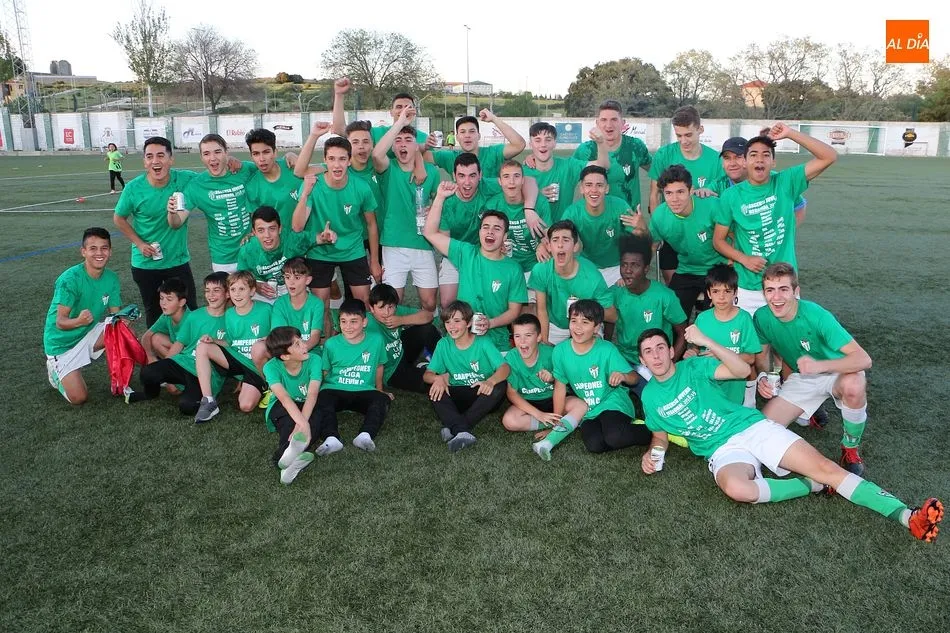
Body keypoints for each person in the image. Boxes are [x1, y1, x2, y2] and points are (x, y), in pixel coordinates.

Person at [637, 326, 943, 543]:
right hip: (722, 451)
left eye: (660, 348)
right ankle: (810, 485)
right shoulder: (650, 397)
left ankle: (906, 515)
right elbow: (659, 434)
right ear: (643, 360)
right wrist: (653, 454)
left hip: (751, 428)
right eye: (648, 352)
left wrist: (705, 340)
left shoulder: (694, 368)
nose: (656, 355)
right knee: (738, 490)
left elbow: (741, 371)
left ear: (671, 350)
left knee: (828, 468)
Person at [753, 263, 871, 475]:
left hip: (838, 372)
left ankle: (850, 448)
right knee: (762, 431)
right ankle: (813, 409)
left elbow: (864, 359)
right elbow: (762, 357)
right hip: (802, 378)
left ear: (796, 292)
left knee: (854, 384)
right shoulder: (761, 317)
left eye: (783, 289)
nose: (776, 297)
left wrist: (821, 365)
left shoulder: (816, 315)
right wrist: (764, 376)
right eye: (770, 290)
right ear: (764, 293)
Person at [713, 124, 836, 315]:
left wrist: (790, 134)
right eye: (753, 154)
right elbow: (718, 241)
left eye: (766, 155)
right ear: (745, 161)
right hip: (748, 285)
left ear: (774, 162)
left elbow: (829, 156)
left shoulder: (785, 182)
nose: (759, 159)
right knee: (753, 343)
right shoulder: (730, 196)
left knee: (789, 341)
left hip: (784, 282)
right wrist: (744, 259)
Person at [424, 181, 527, 352]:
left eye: (496, 229)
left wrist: (490, 323)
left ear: (505, 236)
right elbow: (430, 233)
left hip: (497, 343)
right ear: (479, 232)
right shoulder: (466, 253)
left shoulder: (513, 268)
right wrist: (440, 197)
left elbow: (514, 311)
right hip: (464, 341)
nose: (490, 232)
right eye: (485, 227)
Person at [113, 136, 198, 326]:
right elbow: (118, 218)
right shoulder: (134, 188)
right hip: (146, 264)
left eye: (161, 155)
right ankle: (157, 354)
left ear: (171, 159)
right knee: (155, 313)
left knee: (190, 308)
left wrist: (234, 163)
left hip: (177, 260)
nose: (155, 161)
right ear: (144, 162)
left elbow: (211, 177)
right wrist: (140, 243)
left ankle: (189, 353)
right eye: (149, 156)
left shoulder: (185, 179)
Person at [295, 135, 380, 322]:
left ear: (349, 161)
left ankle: (361, 344)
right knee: (320, 306)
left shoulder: (361, 187)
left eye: (342, 159)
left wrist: (373, 261)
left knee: (364, 303)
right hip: (319, 252)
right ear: (324, 161)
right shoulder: (312, 185)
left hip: (352, 250)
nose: (337, 165)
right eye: (332, 159)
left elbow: (371, 224)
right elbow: (298, 226)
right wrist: (304, 195)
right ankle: (328, 341)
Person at [552, 299, 649, 454]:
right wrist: (556, 427)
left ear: (596, 327)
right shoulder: (560, 351)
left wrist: (623, 376)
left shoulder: (607, 349)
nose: (577, 327)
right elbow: (559, 387)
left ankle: (653, 430)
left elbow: (634, 378)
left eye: (585, 322)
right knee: (595, 445)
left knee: (614, 437)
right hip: (589, 410)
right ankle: (625, 427)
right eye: (573, 320)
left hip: (613, 402)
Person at [127, 272, 230, 415]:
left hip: (206, 373)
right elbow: (178, 344)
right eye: (207, 291)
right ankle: (151, 394)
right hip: (184, 362)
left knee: (187, 407)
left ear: (227, 294)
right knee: (147, 373)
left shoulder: (231, 319)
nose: (211, 295)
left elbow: (234, 351)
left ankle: (202, 396)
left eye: (216, 290)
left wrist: (240, 382)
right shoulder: (195, 316)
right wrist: (166, 371)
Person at [372, 107, 441, 313]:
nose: (402, 144)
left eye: (408, 140)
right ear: (393, 146)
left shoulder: (431, 172)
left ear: (416, 146)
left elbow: (440, 203)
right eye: (398, 141)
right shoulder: (388, 168)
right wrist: (400, 123)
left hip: (422, 243)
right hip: (394, 245)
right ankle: (395, 342)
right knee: (394, 301)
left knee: (429, 303)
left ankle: (428, 338)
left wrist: (433, 210)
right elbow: (376, 154)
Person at [43, 227, 122, 404]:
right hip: (61, 345)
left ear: (110, 251)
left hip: (87, 333)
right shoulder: (70, 279)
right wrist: (78, 321)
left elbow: (116, 316)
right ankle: (55, 371)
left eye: (104, 248)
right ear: (83, 252)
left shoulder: (112, 278)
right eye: (93, 248)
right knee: (79, 398)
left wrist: (125, 322)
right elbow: (60, 322)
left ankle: (120, 380)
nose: (99, 253)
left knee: (121, 331)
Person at [637, 164, 727, 320]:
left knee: (714, 319)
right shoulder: (660, 215)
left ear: (691, 190)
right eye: (669, 193)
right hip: (687, 270)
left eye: (680, 192)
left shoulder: (712, 205)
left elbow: (734, 237)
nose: (675, 199)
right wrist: (639, 271)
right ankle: (679, 344)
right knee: (672, 315)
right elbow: (652, 245)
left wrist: (733, 267)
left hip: (718, 267)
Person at [648, 106, 726, 284]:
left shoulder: (716, 160)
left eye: (688, 135)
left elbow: (721, 199)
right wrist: (659, 225)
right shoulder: (664, 155)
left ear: (700, 129)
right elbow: (654, 195)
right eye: (679, 136)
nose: (684, 141)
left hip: (703, 231)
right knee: (675, 285)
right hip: (672, 228)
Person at [424, 300, 510, 453]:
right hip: (458, 393)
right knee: (435, 388)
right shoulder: (443, 344)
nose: (451, 326)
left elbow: (505, 368)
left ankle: (455, 427)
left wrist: (490, 381)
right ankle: (462, 430)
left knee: (500, 386)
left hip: (482, 394)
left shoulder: (483, 342)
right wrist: (436, 378)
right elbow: (427, 375)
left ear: (469, 323)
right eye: (448, 322)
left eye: (457, 321)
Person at [501, 313, 589, 460]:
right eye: (517, 336)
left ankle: (554, 433)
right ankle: (565, 423)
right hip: (529, 402)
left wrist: (553, 379)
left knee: (581, 406)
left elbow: (566, 382)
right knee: (509, 421)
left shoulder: (552, 353)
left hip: (555, 398)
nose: (522, 341)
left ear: (539, 337)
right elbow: (512, 393)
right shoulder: (511, 357)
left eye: (528, 335)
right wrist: (538, 414)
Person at [314, 298, 392, 454]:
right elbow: (325, 371)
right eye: (343, 321)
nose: (348, 327)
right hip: (335, 389)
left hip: (363, 390)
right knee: (322, 399)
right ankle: (331, 438)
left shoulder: (376, 340)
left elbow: (379, 365)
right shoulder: (331, 344)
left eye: (353, 322)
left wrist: (379, 389)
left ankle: (365, 435)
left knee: (382, 400)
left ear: (364, 322)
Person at [193, 271, 271, 421]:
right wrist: (214, 340)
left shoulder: (266, 309)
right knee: (203, 346)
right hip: (238, 361)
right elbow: (230, 342)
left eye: (242, 289)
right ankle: (208, 401)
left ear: (253, 291)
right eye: (233, 289)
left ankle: (268, 385)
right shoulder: (230, 314)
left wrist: (267, 339)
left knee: (246, 406)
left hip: (257, 366)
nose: (237, 294)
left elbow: (276, 339)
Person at [606, 234, 687, 370]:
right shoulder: (616, 293)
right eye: (624, 265)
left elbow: (683, 333)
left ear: (646, 269)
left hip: (655, 360)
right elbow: (608, 323)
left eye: (635, 265)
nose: (628, 271)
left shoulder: (664, 296)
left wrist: (670, 364)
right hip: (625, 359)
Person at [179, 134, 258, 272]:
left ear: (226, 152)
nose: (213, 158)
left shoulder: (244, 169)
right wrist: (172, 213)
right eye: (206, 153)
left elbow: (271, 168)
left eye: (217, 152)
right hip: (223, 259)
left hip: (253, 251)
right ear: (201, 157)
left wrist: (290, 155)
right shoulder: (196, 185)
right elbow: (177, 221)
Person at [528, 220, 613, 345]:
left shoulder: (591, 276)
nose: (560, 245)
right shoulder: (541, 270)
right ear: (549, 246)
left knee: (591, 352)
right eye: (555, 240)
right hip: (556, 324)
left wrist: (586, 311)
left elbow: (612, 314)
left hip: (586, 321)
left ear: (575, 246)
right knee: (539, 347)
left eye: (566, 240)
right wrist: (544, 341)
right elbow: (542, 310)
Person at [435, 153, 501, 309]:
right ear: (454, 176)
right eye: (461, 176)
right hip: (455, 253)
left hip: (483, 253)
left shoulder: (488, 186)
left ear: (480, 175)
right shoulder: (447, 201)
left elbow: (518, 182)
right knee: (447, 303)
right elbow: (446, 244)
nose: (467, 182)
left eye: (472, 176)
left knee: (483, 300)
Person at [689, 264, 760, 407]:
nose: (721, 297)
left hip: (733, 389)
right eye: (716, 291)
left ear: (735, 292)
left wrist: (721, 355)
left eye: (727, 291)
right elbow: (695, 347)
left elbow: (751, 357)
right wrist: (692, 352)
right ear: (709, 294)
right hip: (707, 385)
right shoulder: (702, 319)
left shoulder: (743, 319)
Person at [557, 165, 638, 287]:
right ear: (581, 188)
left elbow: (640, 239)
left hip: (618, 267)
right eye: (588, 185)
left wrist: (641, 227)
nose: (594, 190)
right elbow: (560, 243)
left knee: (624, 301)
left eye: (599, 185)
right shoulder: (572, 213)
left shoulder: (620, 207)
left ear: (607, 188)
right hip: (587, 268)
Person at [263, 326, 322, 485]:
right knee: (290, 426)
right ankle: (288, 455)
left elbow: (312, 394)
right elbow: (283, 397)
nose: (304, 345)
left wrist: (305, 423)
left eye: (301, 340)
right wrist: (303, 423)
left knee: (315, 424)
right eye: (297, 344)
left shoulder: (315, 359)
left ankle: (287, 467)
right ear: (285, 356)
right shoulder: (270, 367)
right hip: (282, 406)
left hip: (307, 404)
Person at [707, 136, 808, 228]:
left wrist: (785, 232)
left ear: (748, 159)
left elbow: (799, 205)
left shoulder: (773, 179)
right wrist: (702, 192)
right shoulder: (719, 184)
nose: (732, 163)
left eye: (738, 157)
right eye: (727, 158)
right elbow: (704, 195)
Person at [571, 100, 652, 212]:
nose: (608, 125)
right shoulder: (585, 150)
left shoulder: (635, 146)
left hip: (629, 220)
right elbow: (566, 177)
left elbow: (656, 171)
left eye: (614, 119)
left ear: (623, 123)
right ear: (597, 123)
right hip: (596, 221)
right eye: (603, 120)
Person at [524, 121, 609, 222]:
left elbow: (603, 165)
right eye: (537, 140)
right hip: (533, 233)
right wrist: (535, 196)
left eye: (548, 140)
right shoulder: (522, 172)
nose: (543, 144)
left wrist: (601, 143)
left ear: (555, 143)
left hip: (562, 232)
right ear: (530, 144)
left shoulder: (568, 166)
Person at [366, 283, 441, 394]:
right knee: (433, 384)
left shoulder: (397, 312)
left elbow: (428, 316)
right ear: (371, 308)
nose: (387, 313)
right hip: (390, 370)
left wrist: (402, 320)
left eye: (390, 307)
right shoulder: (366, 322)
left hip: (401, 352)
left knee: (428, 330)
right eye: (381, 308)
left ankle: (438, 361)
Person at [485, 159, 552, 281]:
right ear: (500, 181)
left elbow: (550, 236)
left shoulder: (539, 202)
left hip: (536, 264)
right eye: (506, 177)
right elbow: (486, 240)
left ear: (522, 180)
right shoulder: (493, 205)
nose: (511, 182)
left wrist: (543, 244)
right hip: (507, 267)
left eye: (516, 176)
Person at [237, 206, 310, 304]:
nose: (267, 235)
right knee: (254, 310)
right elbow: (242, 277)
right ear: (254, 232)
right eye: (261, 230)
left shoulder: (291, 238)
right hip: (262, 287)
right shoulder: (247, 249)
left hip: (291, 283)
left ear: (280, 229)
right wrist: (256, 285)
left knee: (305, 306)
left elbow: (316, 238)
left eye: (272, 228)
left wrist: (326, 237)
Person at [244, 128, 304, 243]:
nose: (261, 159)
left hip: (305, 240)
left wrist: (293, 155)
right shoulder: (252, 186)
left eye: (266, 152)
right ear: (251, 156)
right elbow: (258, 222)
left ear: (275, 152)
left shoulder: (293, 168)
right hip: (279, 245)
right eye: (256, 154)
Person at [429, 110, 525, 178]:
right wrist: (425, 145)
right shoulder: (449, 157)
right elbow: (420, 155)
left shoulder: (492, 153)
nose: (467, 135)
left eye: (471, 131)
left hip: (491, 206)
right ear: (457, 137)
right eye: (462, 132)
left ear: (478, 136)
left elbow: (519, 145)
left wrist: (494, 119)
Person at [141, 277, 190, 363]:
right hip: (180, 350)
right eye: (161, 298)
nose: (163, 303)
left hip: (192, 356)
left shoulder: (190, 319)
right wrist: (150, 357)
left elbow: (181, 347)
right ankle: (173, 368)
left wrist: (161, 368)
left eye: (169, 299)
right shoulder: (166, 315)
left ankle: (174, 369)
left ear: (182, 302)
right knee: (156, 338)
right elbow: (146, 336)